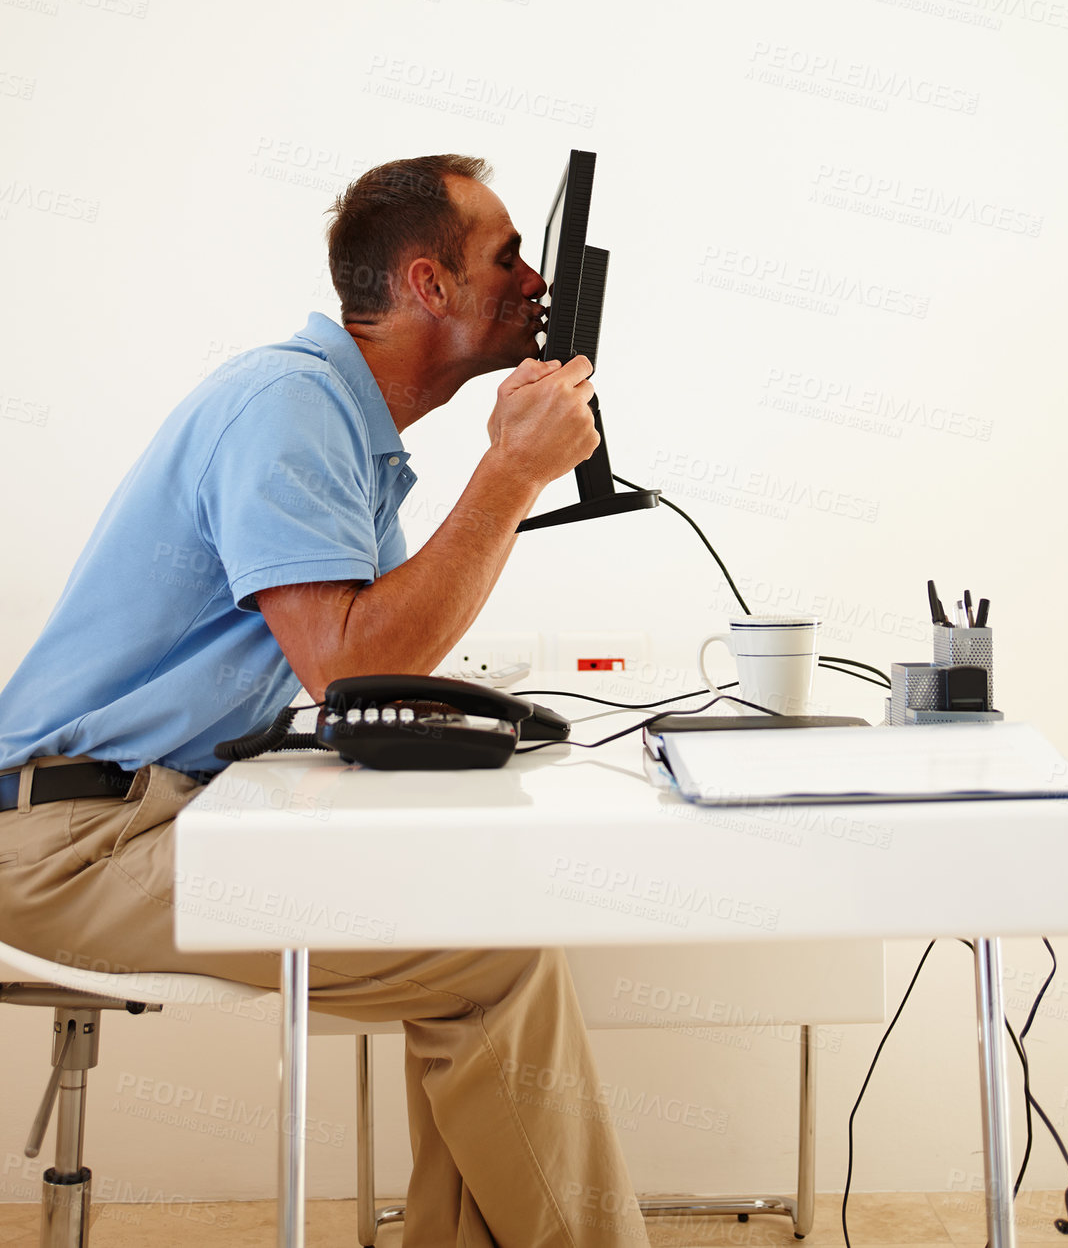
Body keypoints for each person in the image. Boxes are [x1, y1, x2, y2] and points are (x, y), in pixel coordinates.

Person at [0, 153, 649, 1247]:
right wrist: (509, 475)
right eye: (506, 254)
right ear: (428, 285)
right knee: (489, 959)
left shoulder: (341, 426)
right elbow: (351, 666)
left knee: (488, 934)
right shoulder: (288, 407)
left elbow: (372, 666)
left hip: (142, 815)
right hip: (64, 844)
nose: (535, 280)